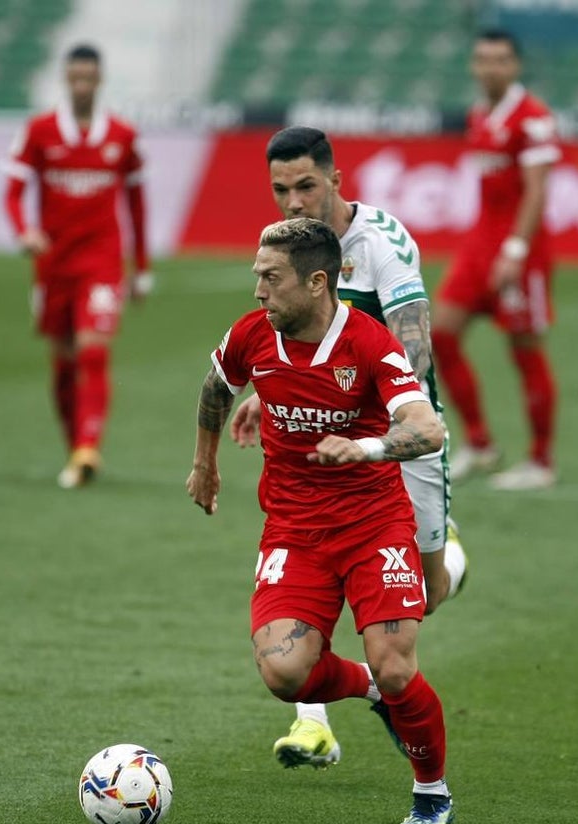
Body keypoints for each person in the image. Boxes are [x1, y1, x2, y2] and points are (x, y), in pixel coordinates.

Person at [186, 217, 455, 824]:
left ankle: (431, 791)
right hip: (294, 530)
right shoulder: (251, 336)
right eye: (257, 275)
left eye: (270, 278)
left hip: (374, 525)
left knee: (396, 664)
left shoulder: (369, 343)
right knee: (284, 674)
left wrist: (363, 449)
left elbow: (429, 428)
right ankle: (372, 694)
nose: (258, 290)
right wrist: (205, 465)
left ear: (315, 282)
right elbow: (214, 388)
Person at [229, 126, 467, 770]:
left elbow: (412, 348)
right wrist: (270, 393)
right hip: (319, 445)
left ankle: (452, 570)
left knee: (427, 587)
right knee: (312, 573)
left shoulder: (381, 243)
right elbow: (292, 341)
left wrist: (381, 418)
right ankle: (315, 722)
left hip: (400, 438)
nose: (294, 201)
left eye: (306, 185)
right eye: (280, 189)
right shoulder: (294, 249)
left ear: (336, 179)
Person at [1, 43, 152, 489]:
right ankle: (75, 449)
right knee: (64, 365)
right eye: (76, 77)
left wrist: (141, 267)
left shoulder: (122, 135)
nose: (83, 85)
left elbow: (137, 203)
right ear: (66, 80)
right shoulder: (39, 131)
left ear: (99, 80)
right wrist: (23, 230)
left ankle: (89, 446)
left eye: (89, 77)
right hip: (53, 265)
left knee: (93, 349)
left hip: (102, 261)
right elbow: (11, 192)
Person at [432, 28, 561, 490]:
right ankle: (481, 443)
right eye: (483, 59)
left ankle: (541, 461)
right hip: (477, 245)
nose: (491, 67)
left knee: (525, 350)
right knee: (439, 335)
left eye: (501, 60)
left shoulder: (533, 119)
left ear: (516, 65)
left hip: (518, 252)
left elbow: (536, 190)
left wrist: (515, 250)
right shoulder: (479, 115)